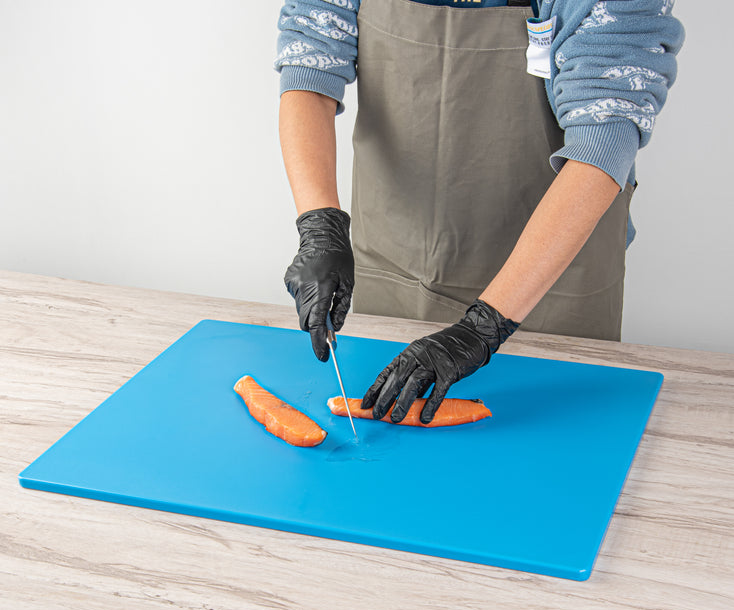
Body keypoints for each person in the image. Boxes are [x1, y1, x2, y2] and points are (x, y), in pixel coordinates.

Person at [276, 0, 684, 424]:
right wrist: (319, 224)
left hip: (556, 274)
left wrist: (484, 326)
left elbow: (605, 137)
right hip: (399, 255)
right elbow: (310, 59)